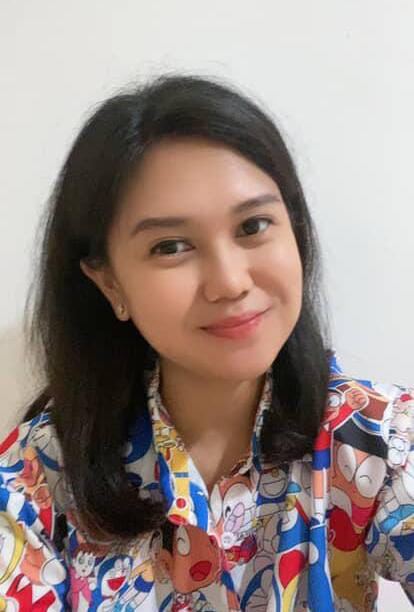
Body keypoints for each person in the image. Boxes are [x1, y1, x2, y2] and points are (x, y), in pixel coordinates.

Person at [0, 73, 412, 612]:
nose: (230, 282)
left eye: (253, 226)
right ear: (110, 283)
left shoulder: (379, 440)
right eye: (171, 246)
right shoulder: (36, 477)